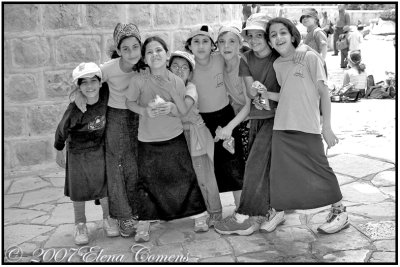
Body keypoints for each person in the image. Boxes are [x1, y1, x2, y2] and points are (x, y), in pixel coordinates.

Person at [214, 13, 313, 236]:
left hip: (278, 119)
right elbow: (251, 94)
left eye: (261, 34)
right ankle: (272, 210)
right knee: (260, 166)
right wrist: (257, 92)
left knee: (256, 165)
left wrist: (267, 94)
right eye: (251, 35)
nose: (256, 39)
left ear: (267, 37)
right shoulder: (246, 59)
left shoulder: (280, 57)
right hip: (256, 119)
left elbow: (293, 87)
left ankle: (243, 216)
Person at [265, 17, 350, 234]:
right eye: (273, 35)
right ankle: (279, 210)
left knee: (320, 168)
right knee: (280, 173)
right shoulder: (277, 64)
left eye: (282, 32)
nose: (278, 37)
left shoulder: (310, 57)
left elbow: (324, 93)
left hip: (308, 125)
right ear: (270, 42)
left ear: (293, 35)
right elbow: (287, 93)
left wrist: (327, 127)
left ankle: (339, 211)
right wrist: (266, 95)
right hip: (282, 126)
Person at [125, 36, 207, 241]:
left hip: (174, 137)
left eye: (159, 50)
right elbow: (129, 103)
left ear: (167, 54)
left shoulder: (176, 81)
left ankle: (198, 215)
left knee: (184, 177)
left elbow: (183, 112)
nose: (155, 55)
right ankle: (144, 222)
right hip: (147, 140)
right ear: (144, 58)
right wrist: (144, 111)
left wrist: (172, 97)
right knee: (147, 181)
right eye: (150, 52)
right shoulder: (138, 80)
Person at [75, 23, 143, 238]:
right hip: (117, 118)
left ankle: (139, 212)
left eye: (135, 46)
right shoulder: (108, 68)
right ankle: (122, 216)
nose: (131, 52)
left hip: (140, 117)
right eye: (125, 48)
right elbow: (88, 81)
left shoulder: (145, 65)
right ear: (118, 50)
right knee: (117, 167)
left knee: (137, 165)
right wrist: (77, 96)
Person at [54, 62, 119, 245]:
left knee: (103, 187)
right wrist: (59, 149)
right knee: (79, 189)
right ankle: (80, 224)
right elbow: (62, 129)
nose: (89, 86)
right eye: (84, 83)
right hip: (77, 154)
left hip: (99, 150)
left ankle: (108, 218)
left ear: (100, 83)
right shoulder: (75, 108)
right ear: (79, 86)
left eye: (93, 81)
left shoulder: (106, 96)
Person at [185, 25, 245, 219]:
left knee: (233, 163)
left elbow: (240, 57)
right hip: (202, 122)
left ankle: (241, 208)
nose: (201, 46)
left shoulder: (220, 59)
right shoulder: (188, 68)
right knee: (207, 167)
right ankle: (213, 211)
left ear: (212, 45)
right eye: (196, 42)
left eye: (205, 41)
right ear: (189, 46)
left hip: (225, 117)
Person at [168, 50, 222, 233]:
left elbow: (183, 109)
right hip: (177, 137)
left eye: (184, 67)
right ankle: (194, 210)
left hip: (196, 135)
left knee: (204, 176)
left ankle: (215, 211)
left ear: (190, 73)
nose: (179, 70)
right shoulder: (166, 87)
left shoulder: (190, 88)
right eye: (175, 66)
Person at [216, 25, 251, 160]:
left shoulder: (244, 64)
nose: (226, 46)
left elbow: (249, 106)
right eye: (222, 41)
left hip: (254, 118)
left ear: (240, 44)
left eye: (232, 41)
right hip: (237, 118)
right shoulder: (219, 65)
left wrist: (229, 127)